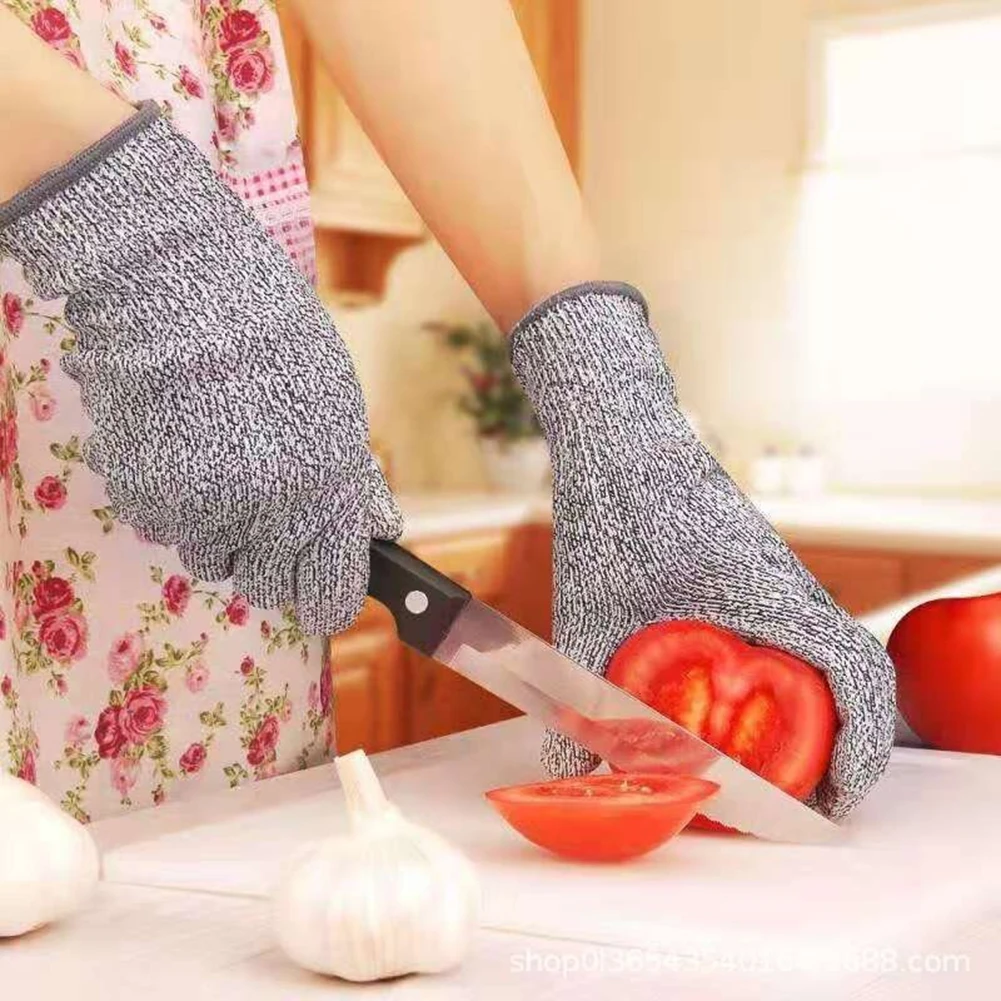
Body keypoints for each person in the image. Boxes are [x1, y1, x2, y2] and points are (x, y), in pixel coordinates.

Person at [0, 0, 894, 823]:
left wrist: (611, 402)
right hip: (107, 203)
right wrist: (135, 234)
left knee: (184, 882)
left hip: (182, 225)